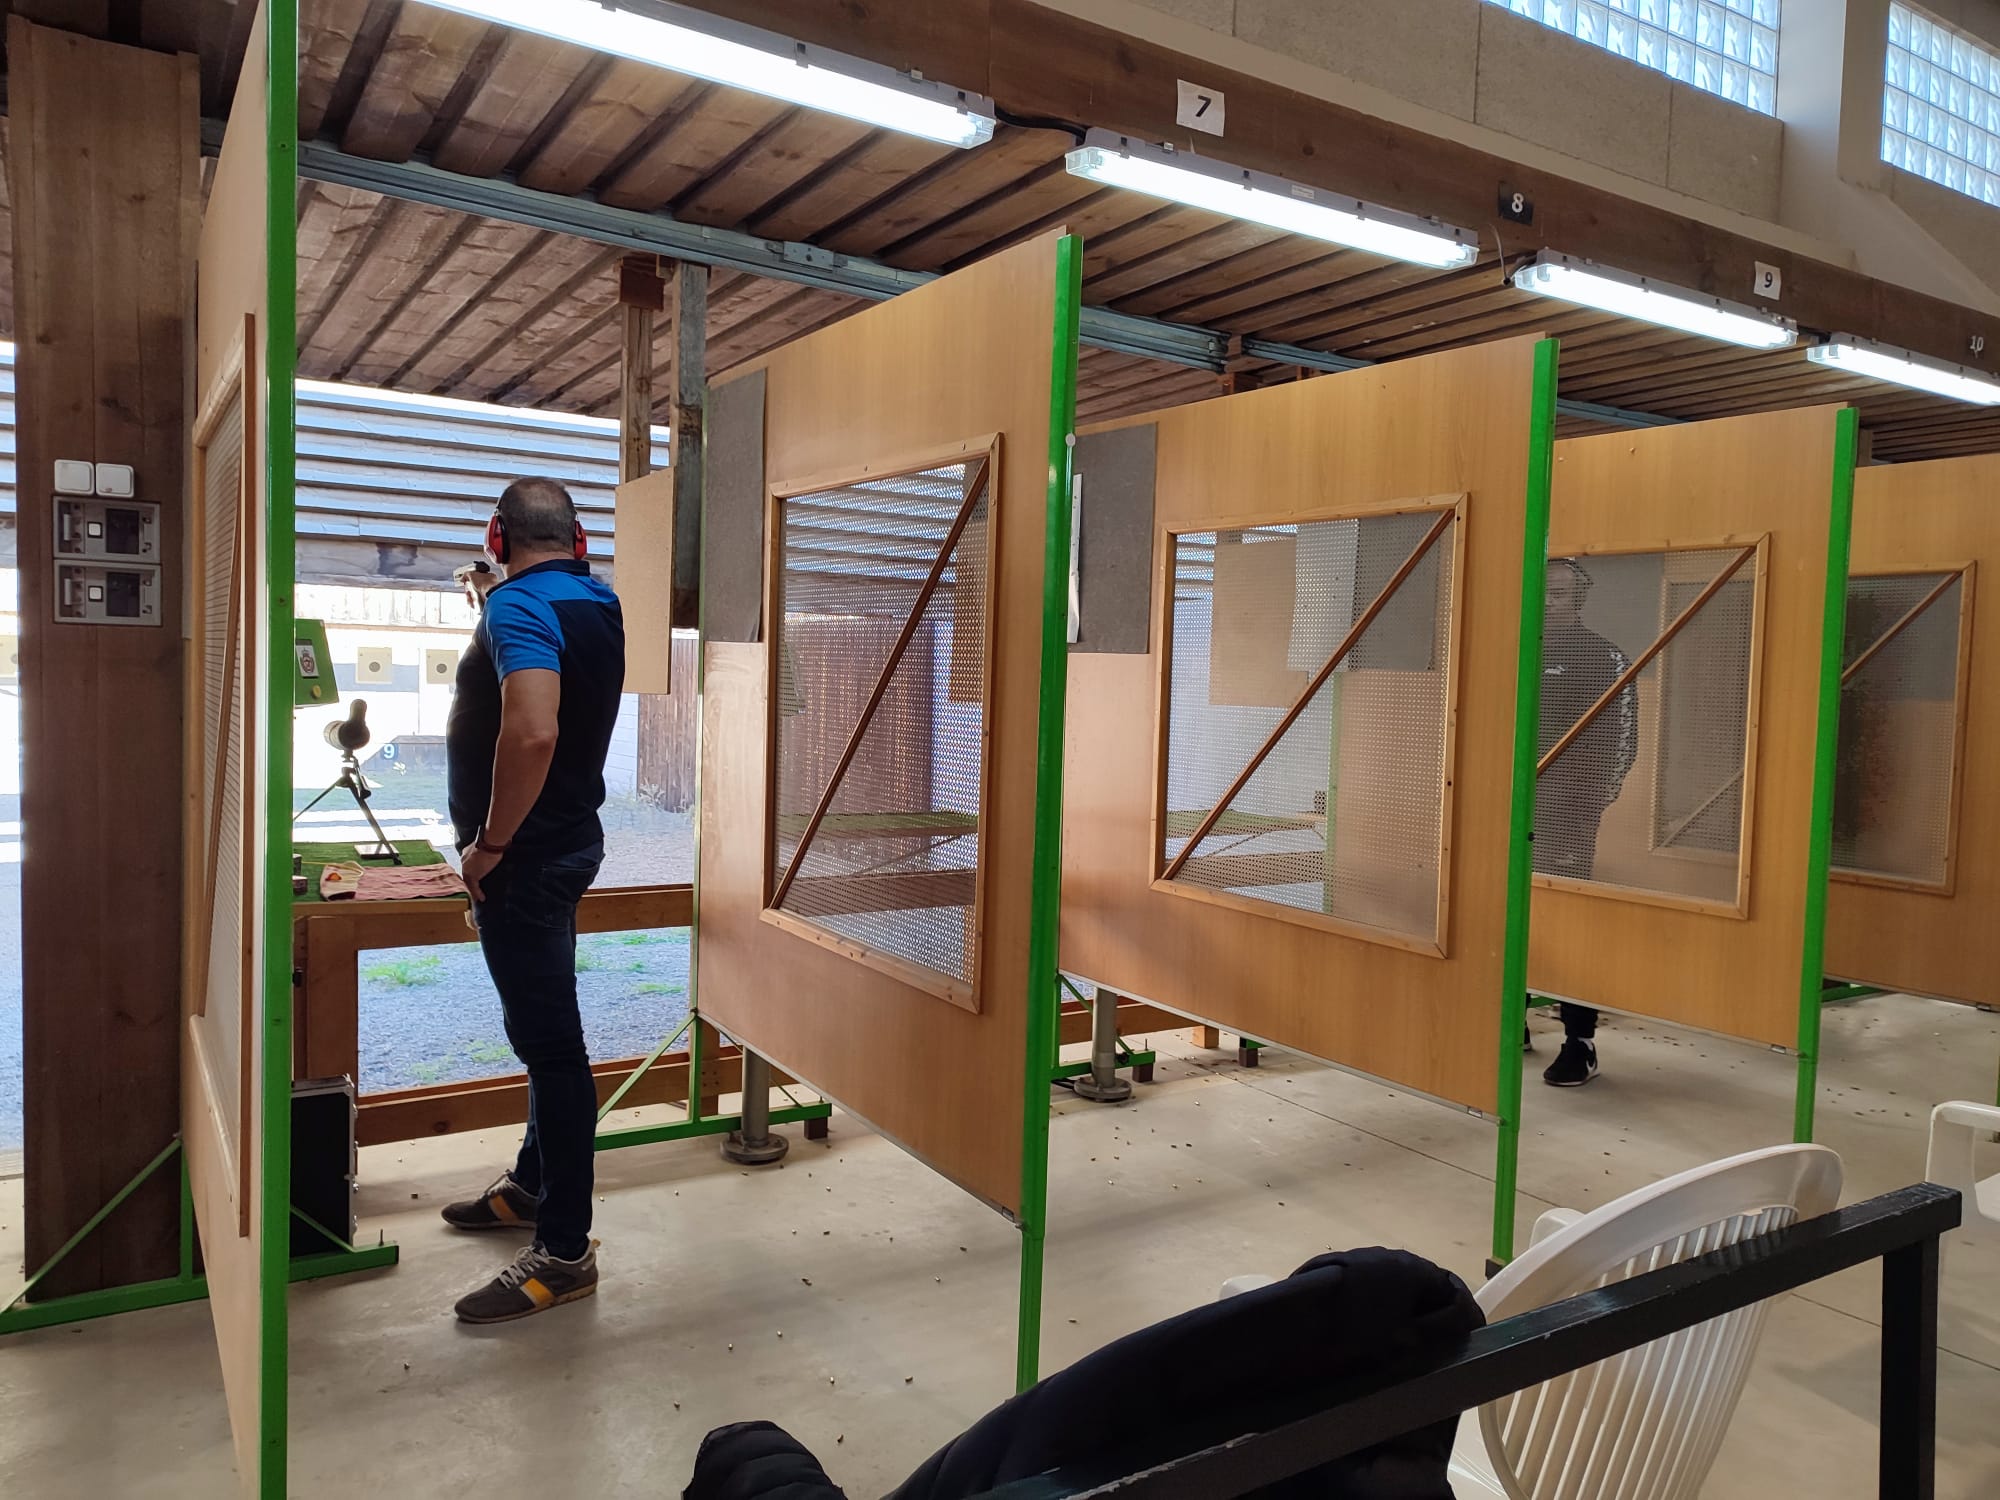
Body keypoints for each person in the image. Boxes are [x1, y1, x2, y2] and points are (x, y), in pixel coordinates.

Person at [438, 478, 625, 1323]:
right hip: (566, 844)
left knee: (552, 1050)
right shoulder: (594, 601)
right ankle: (530, 1184)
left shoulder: (518, 609)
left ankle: (564, 1250)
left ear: (497, 535)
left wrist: (491, 844)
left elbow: (535, 727)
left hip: (525, 859)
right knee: (548, 1033)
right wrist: (494, 597)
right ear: (578, 541)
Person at [1534, 557, 1637, 1088]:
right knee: (1506, 912)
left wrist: (1585, 805)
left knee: (1568, 920)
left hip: (1568, 815)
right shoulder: (1514, 649)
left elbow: (1622, 738)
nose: (1549, 601)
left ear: (1578, 598)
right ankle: (1508, 1019)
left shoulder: (1602, 656)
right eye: (1542, 590)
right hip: (1505, 811)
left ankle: (1580, 1039)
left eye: (1560, 593)